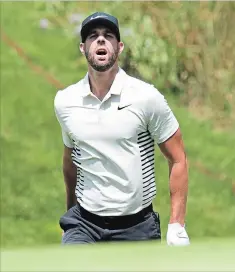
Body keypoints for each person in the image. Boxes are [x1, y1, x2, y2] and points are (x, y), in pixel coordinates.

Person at [53, 12, 190, 246]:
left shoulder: (146, 97)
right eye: (93, 36)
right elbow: (70, 160)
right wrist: (71, 213)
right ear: (82, 48)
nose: (101, 40)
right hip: (85, 226)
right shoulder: (66, 101)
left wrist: (177, 224)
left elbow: (178, 159)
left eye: (108, 36)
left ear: (120, 46)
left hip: (137, 226)